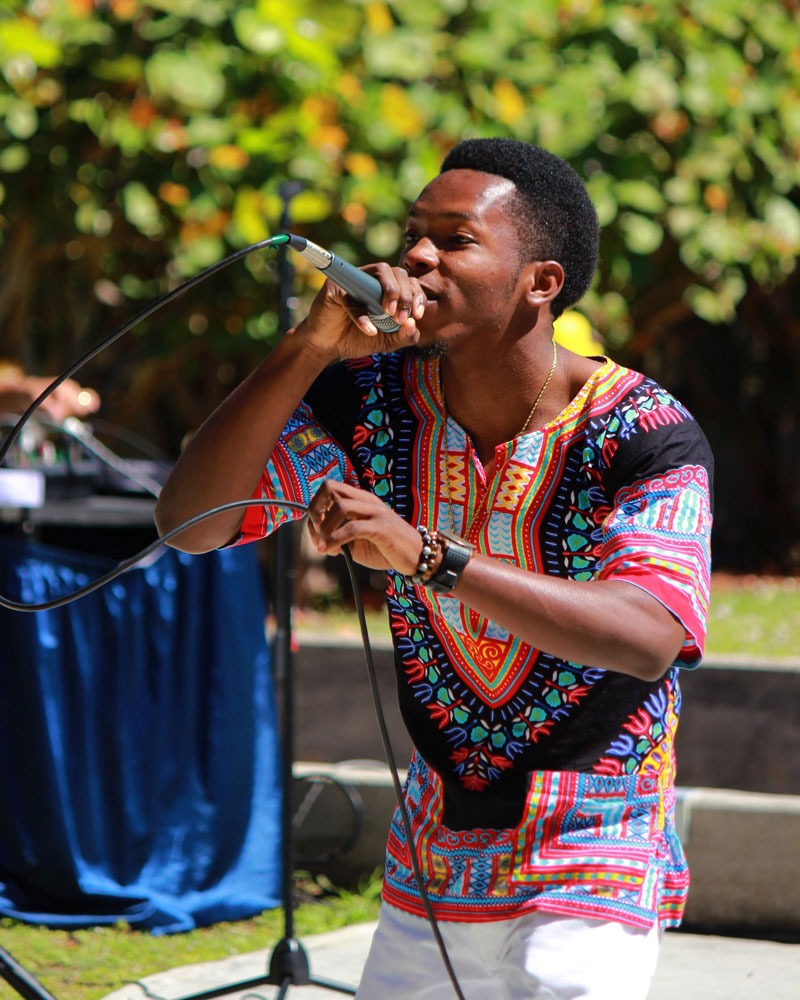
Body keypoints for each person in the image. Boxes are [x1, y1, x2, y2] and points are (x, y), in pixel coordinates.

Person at [154, 138, 713, 1000]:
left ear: (542, 283)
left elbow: (646, 635)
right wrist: (309, 349)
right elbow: (192, 522)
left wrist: (428, 556)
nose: (415, 255)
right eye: (414, 232)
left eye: (454, 240)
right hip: (433, 850)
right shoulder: (368, 395)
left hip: (594, 843)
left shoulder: (644, 431)